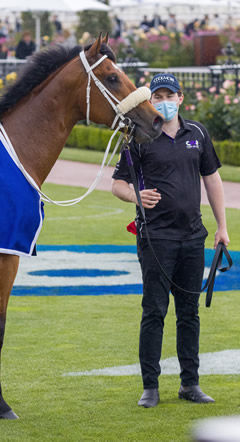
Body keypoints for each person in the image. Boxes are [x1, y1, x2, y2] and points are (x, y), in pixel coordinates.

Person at [111, 73, 230, 408]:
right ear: (151, 100)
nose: (163, 100)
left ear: (180, 98)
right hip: (156, 238)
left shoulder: (199, 134)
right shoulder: (139, 137)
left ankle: (189, 384)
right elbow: (117, 184)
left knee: (189, 314)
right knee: (154, 311)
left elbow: (213, 179)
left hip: (193, 237)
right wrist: (136, 194)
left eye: (169, 95)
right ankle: (150, 386)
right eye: (157, 95)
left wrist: (222, 226)